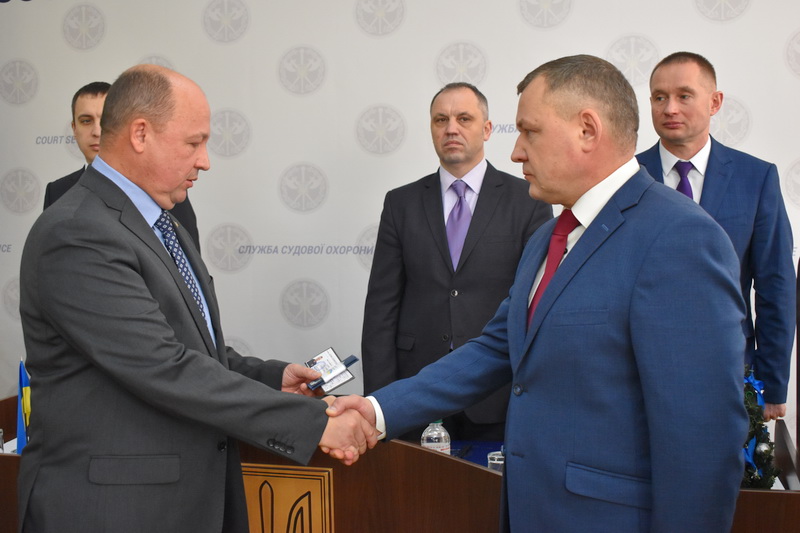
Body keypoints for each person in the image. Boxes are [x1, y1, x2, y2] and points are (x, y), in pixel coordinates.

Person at [328, 55, 748, 532]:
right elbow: (496, 348)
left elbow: (702, 440)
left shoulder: (680, 238)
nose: (515, 152)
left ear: (587, 130)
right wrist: (377, 410)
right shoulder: (549, 237)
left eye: (529, 132)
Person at [17, 64, 375, 533]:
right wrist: (313, 422)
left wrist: (271, 379)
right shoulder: (76, 232)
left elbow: (188, 348)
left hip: (184, 502)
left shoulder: (166, 222)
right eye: (194, 143)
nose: (205, 161)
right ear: (140, 134)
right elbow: (162, 365)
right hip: (113, 511)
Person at [362, 82, 551, 442]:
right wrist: (381, 404)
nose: (451, 128)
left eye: (464, 118)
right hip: (415, 392)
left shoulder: (528, 201)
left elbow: (534, 306)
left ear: (487, 129)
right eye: (441, 120)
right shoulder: (400, 204)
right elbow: (381, 309)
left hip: (498, 393)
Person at [637, 52, 795, 421]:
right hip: (637, 376)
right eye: (659, 97)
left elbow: (775, 286)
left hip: (729, 374)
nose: (670, 108)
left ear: (715, 102)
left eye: (684, 96)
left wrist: (771, 385)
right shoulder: (626, 176)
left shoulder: (756, 178)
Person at [44, 81, 202, 251]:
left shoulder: (162, 188)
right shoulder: (58, 192)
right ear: (74, 129)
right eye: (86, 121)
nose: (97, 131)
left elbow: (188, 260)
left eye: (105, 120)